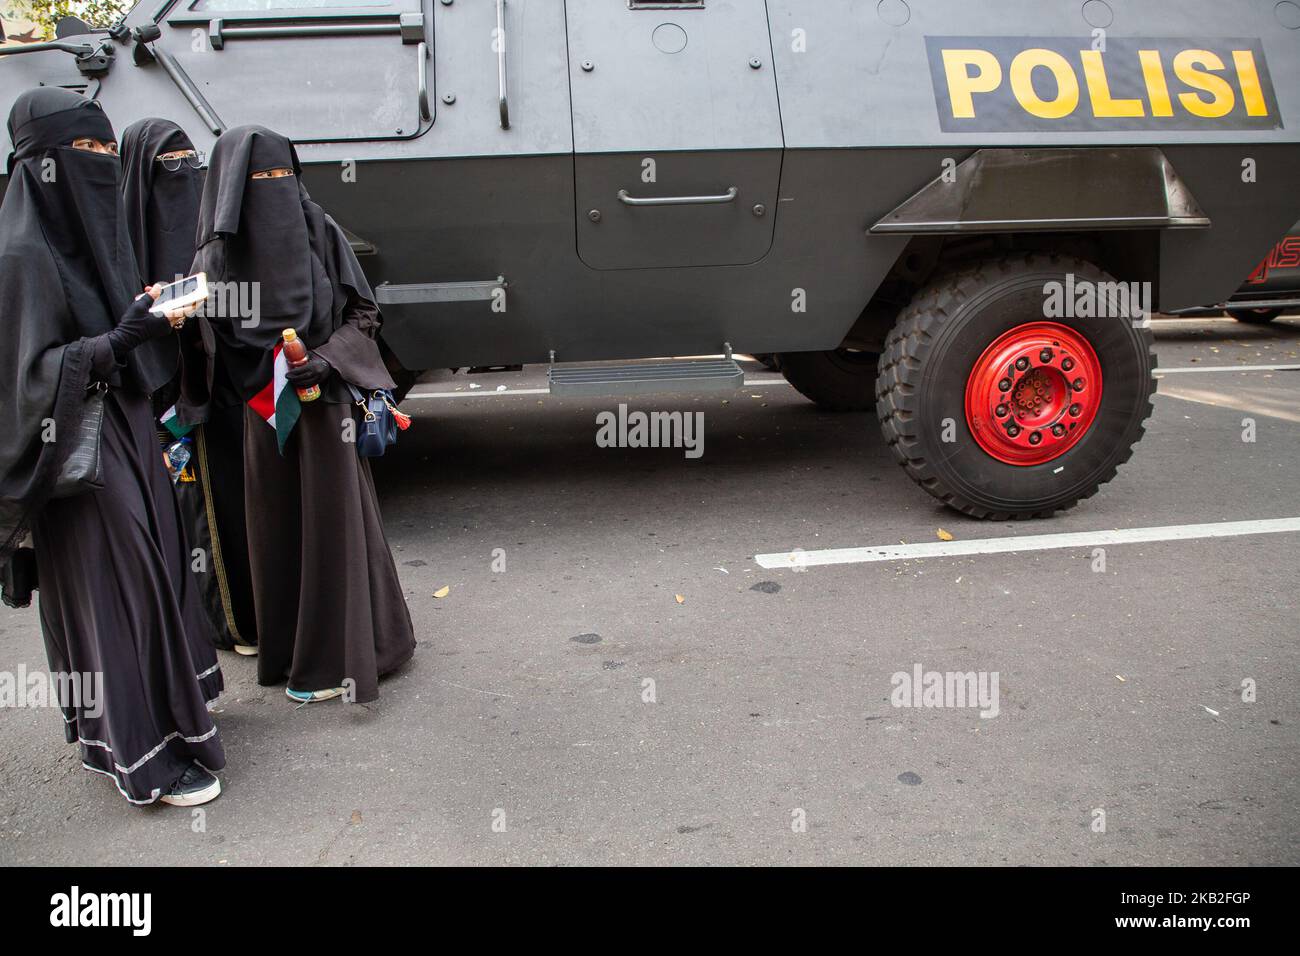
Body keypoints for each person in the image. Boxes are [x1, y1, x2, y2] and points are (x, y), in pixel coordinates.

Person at [0, 89, 224, 806]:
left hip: (123, 430)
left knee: (154, 574)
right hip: (73, 452)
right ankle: (142, 757)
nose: (100, 166)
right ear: (41, 165)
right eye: (84, 154)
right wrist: (113, 341)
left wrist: (148, 319)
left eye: (107, 153)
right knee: (118, 592)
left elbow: (112, 336)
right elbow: (25, 379)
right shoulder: (17, 254)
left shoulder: (92, 244)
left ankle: (176, 721)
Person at [191, 125, 415, 704]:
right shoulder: (215, 256)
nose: (276, 190)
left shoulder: (317, 225)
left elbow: (364, 311)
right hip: (261, 413)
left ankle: (357, 653)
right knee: (277, 527)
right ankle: (291, 652)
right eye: (260, 180)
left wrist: (326, 358)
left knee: (334, 524)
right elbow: (204, 337)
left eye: (282, 177)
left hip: (328, 406)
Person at [119, 117, 259, 656]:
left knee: (224, 502)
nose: (185, 176)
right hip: (156, 392)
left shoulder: (212, 232)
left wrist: (209, 308)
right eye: (168, 167)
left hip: (216, 385)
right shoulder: (117, 246)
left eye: (191, 164)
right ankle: (199, 627)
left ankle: (237, 619)